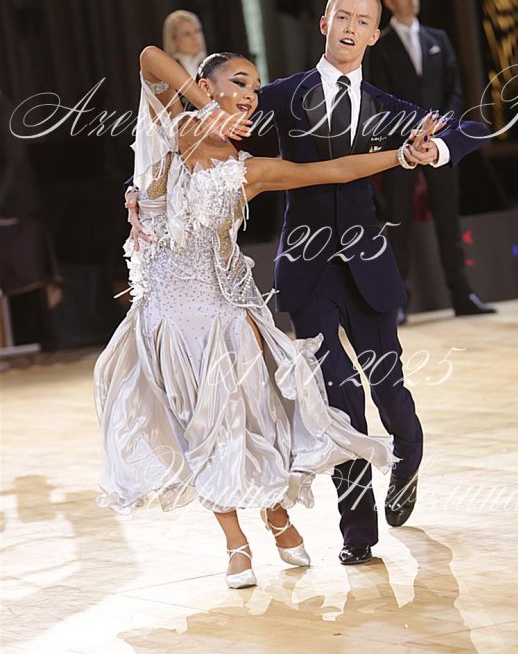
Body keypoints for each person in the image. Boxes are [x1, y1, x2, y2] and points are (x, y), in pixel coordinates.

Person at [128, 0, 490, 566]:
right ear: (324, 24)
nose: (350, 27)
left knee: (390, 391)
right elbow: (186, 133)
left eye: (363, 21)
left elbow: (470, 128)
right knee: (337, 401)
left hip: (368, 265)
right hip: (306, 268)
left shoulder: (386, 106)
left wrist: (429, 152)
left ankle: (407, 457)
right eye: (342, 16)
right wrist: (141, 187)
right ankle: (357, 532)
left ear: (374, 35)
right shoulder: (279, 95)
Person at [96, 45, 436, 589]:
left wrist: (401, 157)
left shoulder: (248, 170)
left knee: (255, 423)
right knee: (197, 429)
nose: (251, 96)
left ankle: (276, 515)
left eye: (256, 88)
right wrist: (204, 107)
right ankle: (236, 543)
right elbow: (148, 57)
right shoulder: (170, 133)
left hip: (229, 317)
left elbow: (333, 169)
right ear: (206, 85)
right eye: (239, 82)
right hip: (165, 325)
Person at [368, 0, 496, 321]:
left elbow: (455, 88)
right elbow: (380, 97)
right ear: (389, 2)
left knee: (449, 221)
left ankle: (462, 294)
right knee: (398, 223)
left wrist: (440, 132)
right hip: (401, 145)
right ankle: (397, 301)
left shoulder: (437, 38)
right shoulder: (381, 46)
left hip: (440, 143)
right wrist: (412, 133)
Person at [162, 9, 207, 80]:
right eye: (187, 34)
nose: (194, 38)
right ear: (174, 39)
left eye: (197, 31)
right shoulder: (167, 71)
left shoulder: (211, 66)